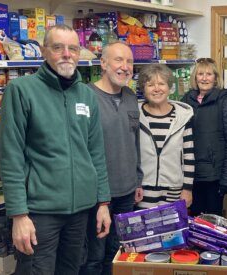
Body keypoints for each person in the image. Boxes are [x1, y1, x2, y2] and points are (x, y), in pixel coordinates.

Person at [0, 25, 111, 275]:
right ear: (44, 51)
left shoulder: (86, 95)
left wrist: (103, 202)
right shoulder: (22, 90)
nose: (66, 54)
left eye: (73, 48)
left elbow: (96, 152)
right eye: (58, 47)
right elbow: (11, 156)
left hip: (80, 211)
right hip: (40, 213)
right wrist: (19, 215)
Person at [80, 42, 144, 275]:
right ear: (103, 63)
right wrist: (99, 198)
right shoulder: (86, 96)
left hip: (126, 191)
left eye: (129, 61)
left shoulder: (130, 96)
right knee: (93, 257)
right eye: (118, 60)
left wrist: (137, 179)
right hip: (97, 195)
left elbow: (134, 140)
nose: (125, 67)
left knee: (116, 253)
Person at [181, 58, 227, 216]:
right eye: (200, 74)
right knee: (192, 221)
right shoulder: (186, 101)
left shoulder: (225, 101)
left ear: (216, 78)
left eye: (209, 74)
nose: (204, 78)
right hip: (191, 175)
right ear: (195, 77)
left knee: (212, 224)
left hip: (215, 176)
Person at [137, 64, 195, 209]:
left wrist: (187, 189)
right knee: (146, 230)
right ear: (143, 89)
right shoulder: (135, 115)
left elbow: (189, 156)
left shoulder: (183, 117)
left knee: (172, 230)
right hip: (143, 189)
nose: (157, 89)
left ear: (169, 87)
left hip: (174, 189)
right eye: (150, 85)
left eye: (161, 84)